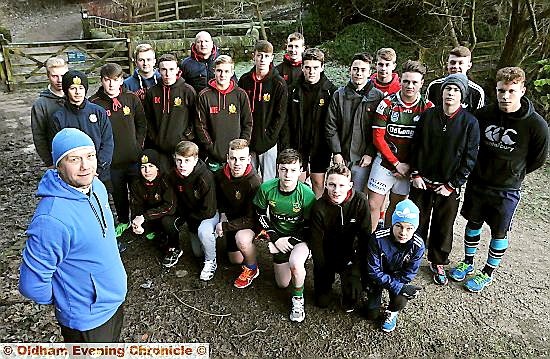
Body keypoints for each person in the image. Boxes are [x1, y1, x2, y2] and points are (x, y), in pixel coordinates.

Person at [19, 128, 127, 342]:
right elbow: (31, 285)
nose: (85, 166)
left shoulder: (96, 187)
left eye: (90, 156)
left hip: (113, 302)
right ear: (58, 165)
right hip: (86, 321)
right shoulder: (51, 220)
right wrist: (68, 298)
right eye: (74, 159)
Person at [449, 67, 549, 292]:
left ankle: (488, 272)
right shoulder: (484, 115)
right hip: (478, 183)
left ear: (522, 90)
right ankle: (468, 261)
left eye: (512, 91)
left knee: (499, 232)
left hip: (506, 189)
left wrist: (513, 173)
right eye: (501, 91)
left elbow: (538, 160)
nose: (505, 96)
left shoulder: (536, 125)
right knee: (472, 223)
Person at [409, 74, 480, 285]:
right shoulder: (428, 115)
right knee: (417, 221)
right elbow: (415, 146)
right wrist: (415, 174)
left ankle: (438, 261)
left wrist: (452, 185)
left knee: (443, 225)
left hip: (448, 186)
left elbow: (470, 158)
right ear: (441, 92)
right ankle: (412, 257)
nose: (451, 93)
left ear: (462, 95)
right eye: (448, 89)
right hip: (422, 181)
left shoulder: (470, 122)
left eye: (456, 90)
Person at [367, 60, 434, 232]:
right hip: (385, 163)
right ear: (400, 80)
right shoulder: (387, 104)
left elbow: (427, 143)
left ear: (422, 83)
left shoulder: (428, 107)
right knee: (373, 205)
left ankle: (388, 241)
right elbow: (378, 138)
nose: (409, 86)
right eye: (406, 81)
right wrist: (396, 164)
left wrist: (409, 167)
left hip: (409, 168)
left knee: (397, 206)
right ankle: (370, 243)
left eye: (414, 82)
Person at [253, 149, 316, 322]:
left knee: (296, 264)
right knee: (282, 284)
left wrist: (289, 241)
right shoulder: (267, 188)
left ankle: (298, 300)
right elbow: (258, 213)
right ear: (277, 169)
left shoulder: (307, 194)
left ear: (301, 170)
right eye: (284, 169)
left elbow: (310, 225)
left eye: (293, 170)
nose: (288, 174)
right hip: (278, 238)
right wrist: (274, 237)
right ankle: (290, 259)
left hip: (299, 239)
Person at [90, 63, 147, 235]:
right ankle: (123, 220)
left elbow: (141, 124)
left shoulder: (131, 98)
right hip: (112, 161)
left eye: (115, 80)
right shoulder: (94, 103)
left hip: (133, 158)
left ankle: (139, 220)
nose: (111, 84)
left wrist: (138, 146)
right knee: (119, 194)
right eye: (107, 80)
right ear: (102, 81)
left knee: (137, 192)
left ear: (121, 80)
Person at [309, 164, 371, 312]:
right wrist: (322, 270)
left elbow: (365, 238)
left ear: (350, 185)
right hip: (327, 254)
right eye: (332, 185)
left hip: (350, 255)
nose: (336, 191)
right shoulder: (319, 206)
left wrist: (357, 270)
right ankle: (326, 283)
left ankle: (352, 283)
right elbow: (316, 243)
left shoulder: (360, 201)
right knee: (321, 301)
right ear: (325, 184)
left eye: (341, 185)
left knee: (352, 300)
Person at [362, 199, 424, 333]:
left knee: (401, 299)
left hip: (398, 278)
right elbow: (373, 271)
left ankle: (392, 312)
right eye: (399, 226)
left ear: (415, 228)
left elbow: (410, 273)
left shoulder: (418, 245)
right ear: (392, 224)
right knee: (370, 314)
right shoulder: (378, 238)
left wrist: (398, 285)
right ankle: (372, 297)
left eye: (409, 228)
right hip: (377, 278)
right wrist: (396, 285)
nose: (403, 232)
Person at [327, 52, 384, 193]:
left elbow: (379, 129)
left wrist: (370, 153)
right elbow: (330, 125)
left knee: (358, 195)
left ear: (370, 72)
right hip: (342, 157)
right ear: (350, 70)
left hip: (363, 158)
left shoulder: (378, 97)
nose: (359, 73)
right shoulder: (338, 95)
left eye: (363, 70)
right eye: (355, 69)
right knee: (338, 193)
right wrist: (336, 152)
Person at [285, 47, 337, 197]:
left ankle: (317, 215)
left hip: (320, 146)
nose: (311, 71)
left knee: (318, 183)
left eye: (315, 67)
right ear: (302, 67)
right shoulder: (293, 89)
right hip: (297, 143)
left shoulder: (330, 91)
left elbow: (333, 122)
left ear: (322, 67)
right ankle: (297, 214)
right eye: (307, 67)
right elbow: (286, 120)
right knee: (297, 183)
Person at [165, 141, 219, 280]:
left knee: (204, 232)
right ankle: (174, 247)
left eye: (187, 160)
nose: (182, 165)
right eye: (179, 160)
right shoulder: (172, 175)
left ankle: (211, 261)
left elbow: (209, 210)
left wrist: (189, 218)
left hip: (207, 215)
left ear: (195, 160)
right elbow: (172, 201)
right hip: (189, 215)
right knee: (197, 253)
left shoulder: (205, 177)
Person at [51, 70, 114, 186]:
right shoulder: (59, 117)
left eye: (80, 88)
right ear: (66, 90)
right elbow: (60, 150)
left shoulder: (98, 112)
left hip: (100, 175)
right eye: (72, 88)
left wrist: (97, 169)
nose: (77, 92)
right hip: (74, 177)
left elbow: (107, 142)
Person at [214, 139, 262, 288]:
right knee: (235, 260)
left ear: (249, 159)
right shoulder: (220, 175)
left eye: (242, 159)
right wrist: (222, 215)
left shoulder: (254, 182)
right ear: (227, 158)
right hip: (231, 219)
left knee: (242, 239)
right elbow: (219, 199)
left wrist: (225, 226)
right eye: (233, 158)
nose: (237, 163)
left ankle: (252, 268)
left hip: (249, 222)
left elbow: (252, 218)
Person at [238, 40, 288, 182]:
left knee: (268, 181)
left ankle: (267, 205)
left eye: (266, 56)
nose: (262, 59)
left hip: (268, 142)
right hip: (247, 140)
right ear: (254, 56)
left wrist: (269, 138)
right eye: (259, 55)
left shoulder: (278, 83)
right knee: (248, 180)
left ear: (272, 58)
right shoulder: (245, 80)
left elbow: (280, 116)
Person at [196, 55, 253, 171]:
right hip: (213, 155)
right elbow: (200, 126)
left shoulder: (240, 95)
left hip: (236, 156)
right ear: (214, 71)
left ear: (232, 72)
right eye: (219, 71)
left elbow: (247, 123)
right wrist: (212, 148)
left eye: (226, 71)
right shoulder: (204, 95)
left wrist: (241, 148)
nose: (222, 75)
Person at [144, 53, 196, 172]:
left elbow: (196, 118)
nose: (168, 74)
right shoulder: (152, 93)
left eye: (171, 69)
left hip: (182, 150)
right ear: (158, 71)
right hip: (160, 149)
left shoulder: (188, 91)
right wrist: (155, 138)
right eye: (164, 69)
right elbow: (148, 119)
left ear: (177, 70)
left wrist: (186, 136)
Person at [129, 149, 177, 249]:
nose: (147, 171)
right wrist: (137, 223)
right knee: (139, 231)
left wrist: (144, 217)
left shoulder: (166, 180)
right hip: (151, 214)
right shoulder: (136, 183)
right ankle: (154, 230)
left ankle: (174, 246)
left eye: (151, 166)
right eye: (143, 167)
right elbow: (136, 205)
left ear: (157, 167)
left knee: (167, 222)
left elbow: (170, 207)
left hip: (169, 213)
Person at [31, 57, 68, 167]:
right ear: (48, 76)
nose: (59, 80)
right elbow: (39, 136)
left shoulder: (77, 96)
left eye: (63, 76)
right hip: (56, 158)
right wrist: (49, 162)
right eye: (54, 76)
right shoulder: (40, 104)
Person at [426, 46, 485, 111]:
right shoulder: (434, 86)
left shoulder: (477, 92)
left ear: (469, 65)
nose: (456, 66)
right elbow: (426, 114)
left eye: (460, 63)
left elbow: (479, 118)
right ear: (447, 64)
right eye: (452, 62)